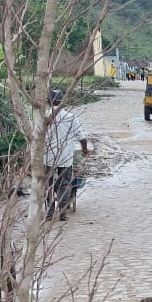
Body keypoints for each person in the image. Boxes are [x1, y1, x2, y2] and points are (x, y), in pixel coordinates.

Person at [44, 88, 89, 221]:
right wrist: (85, 150)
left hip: (47, 157)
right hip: (65, 157)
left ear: (49, 102)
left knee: (48, 185)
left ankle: (49, 213)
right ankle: (62, 213)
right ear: (63, 102)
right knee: (65, 184)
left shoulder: (44, 116)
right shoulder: (70, 117)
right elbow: (82, 138)